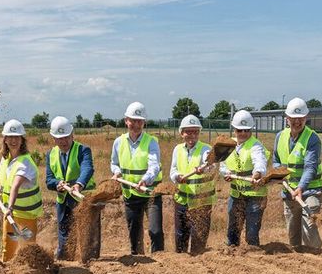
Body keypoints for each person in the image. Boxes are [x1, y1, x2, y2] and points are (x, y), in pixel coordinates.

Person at [110, 101, 163, 254]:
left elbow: (154, 166)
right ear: (126, 121)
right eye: (133, 121)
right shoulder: (118, 142)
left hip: (150, 193)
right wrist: (116, 172)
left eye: (139, 121)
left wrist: (145, 180)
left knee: (155, 230)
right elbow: (114, 163)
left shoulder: (151, 142)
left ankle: (160, 259)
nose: (136, 125)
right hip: (130, 194)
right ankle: (138, 258)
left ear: (144, 123)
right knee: (134, 232)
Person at [44, 116, 99, 260]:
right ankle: (65, 258)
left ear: (72, 135)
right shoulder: (51, 154)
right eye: (59, 138)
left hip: (83, 199)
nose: (63, 141)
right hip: (63, 201)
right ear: (53, 139)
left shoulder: (83, 150)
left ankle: (90, 260)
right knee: (64, 232)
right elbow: (49, 179)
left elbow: (87, 168)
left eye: (66, 137)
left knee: (88, 234)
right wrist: (57, 184)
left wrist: (79, 184)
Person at [272, 97, 322, 248]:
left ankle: (317, 255)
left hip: (310, 190)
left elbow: (310, 167)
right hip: (289, 191)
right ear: (287, 118)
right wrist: (278, 174)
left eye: (301, 118)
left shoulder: (312, 139)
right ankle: (298, 259)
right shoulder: (280, 137)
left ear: (306, 118)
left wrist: (300, 188)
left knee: (309, 231)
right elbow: (276, 160)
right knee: (293, 234)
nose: (297, 121)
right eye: (293, 118)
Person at [0, 120, 43, 262]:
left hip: (26, 215)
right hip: (11, 214)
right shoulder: (5, 159)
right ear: (5, 139)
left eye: (17, 137)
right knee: (8, 248)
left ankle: (31, 273)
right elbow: (6, 181)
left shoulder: (25, 162)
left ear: (22, 140)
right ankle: (7, 272)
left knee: (27, 249)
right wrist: (0, 190)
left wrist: (10, 207)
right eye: (10, 137)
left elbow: (15, 185)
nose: (13, 141)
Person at [222, 110, 268, 246]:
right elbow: (223, 165)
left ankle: (253, 255)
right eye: (239, 130)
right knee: (233, 231)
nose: (243, 133)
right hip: (236, 195)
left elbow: (260, 162)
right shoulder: (228, 145)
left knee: (251, 233)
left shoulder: (256, 145)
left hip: (255, 196)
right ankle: (231, 254)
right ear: (234, 129)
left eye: (246, 130)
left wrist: (257, 173)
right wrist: (226, 173)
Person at [169, 114, 213, 254]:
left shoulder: (206, 149)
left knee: (199, 238)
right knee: (180, 237)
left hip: (201, 202)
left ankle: (198, 261)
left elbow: (210, 164)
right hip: (181, 200)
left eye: (195, 132)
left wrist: (204, 168)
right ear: (182, 133)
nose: (192, 135)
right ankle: (182, 262)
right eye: (188, 131)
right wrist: (177, 177)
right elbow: (173, 170)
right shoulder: (177, 149)